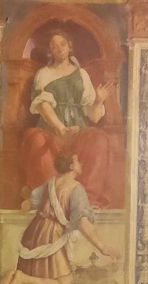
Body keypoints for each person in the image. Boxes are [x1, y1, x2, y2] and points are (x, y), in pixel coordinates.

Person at [0, 153, 118, 284]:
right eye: (77, 161)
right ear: (71, 166)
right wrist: (103, 248)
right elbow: (82, 222)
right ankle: (21, 278)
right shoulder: (76, 188)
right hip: (51, 235)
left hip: (34, 231)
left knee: (45, 280)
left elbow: (28, 204)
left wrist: (32, 204)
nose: (81, 163)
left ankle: (15, 278)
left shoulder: (50, 183)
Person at [22, 30, 114, 207]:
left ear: (70, 46)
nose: (59, 48)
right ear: (50, 50)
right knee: (35, 139)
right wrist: (61, 128)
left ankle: (86, 199)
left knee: (99, 139)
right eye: (54, 46)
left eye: (62, 44)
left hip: (79, 130)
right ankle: (50, 198)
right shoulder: (44, 74)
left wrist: (98, 101)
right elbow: (43, 105)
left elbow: (94, 117)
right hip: (51, 130)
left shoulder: (82, 74)